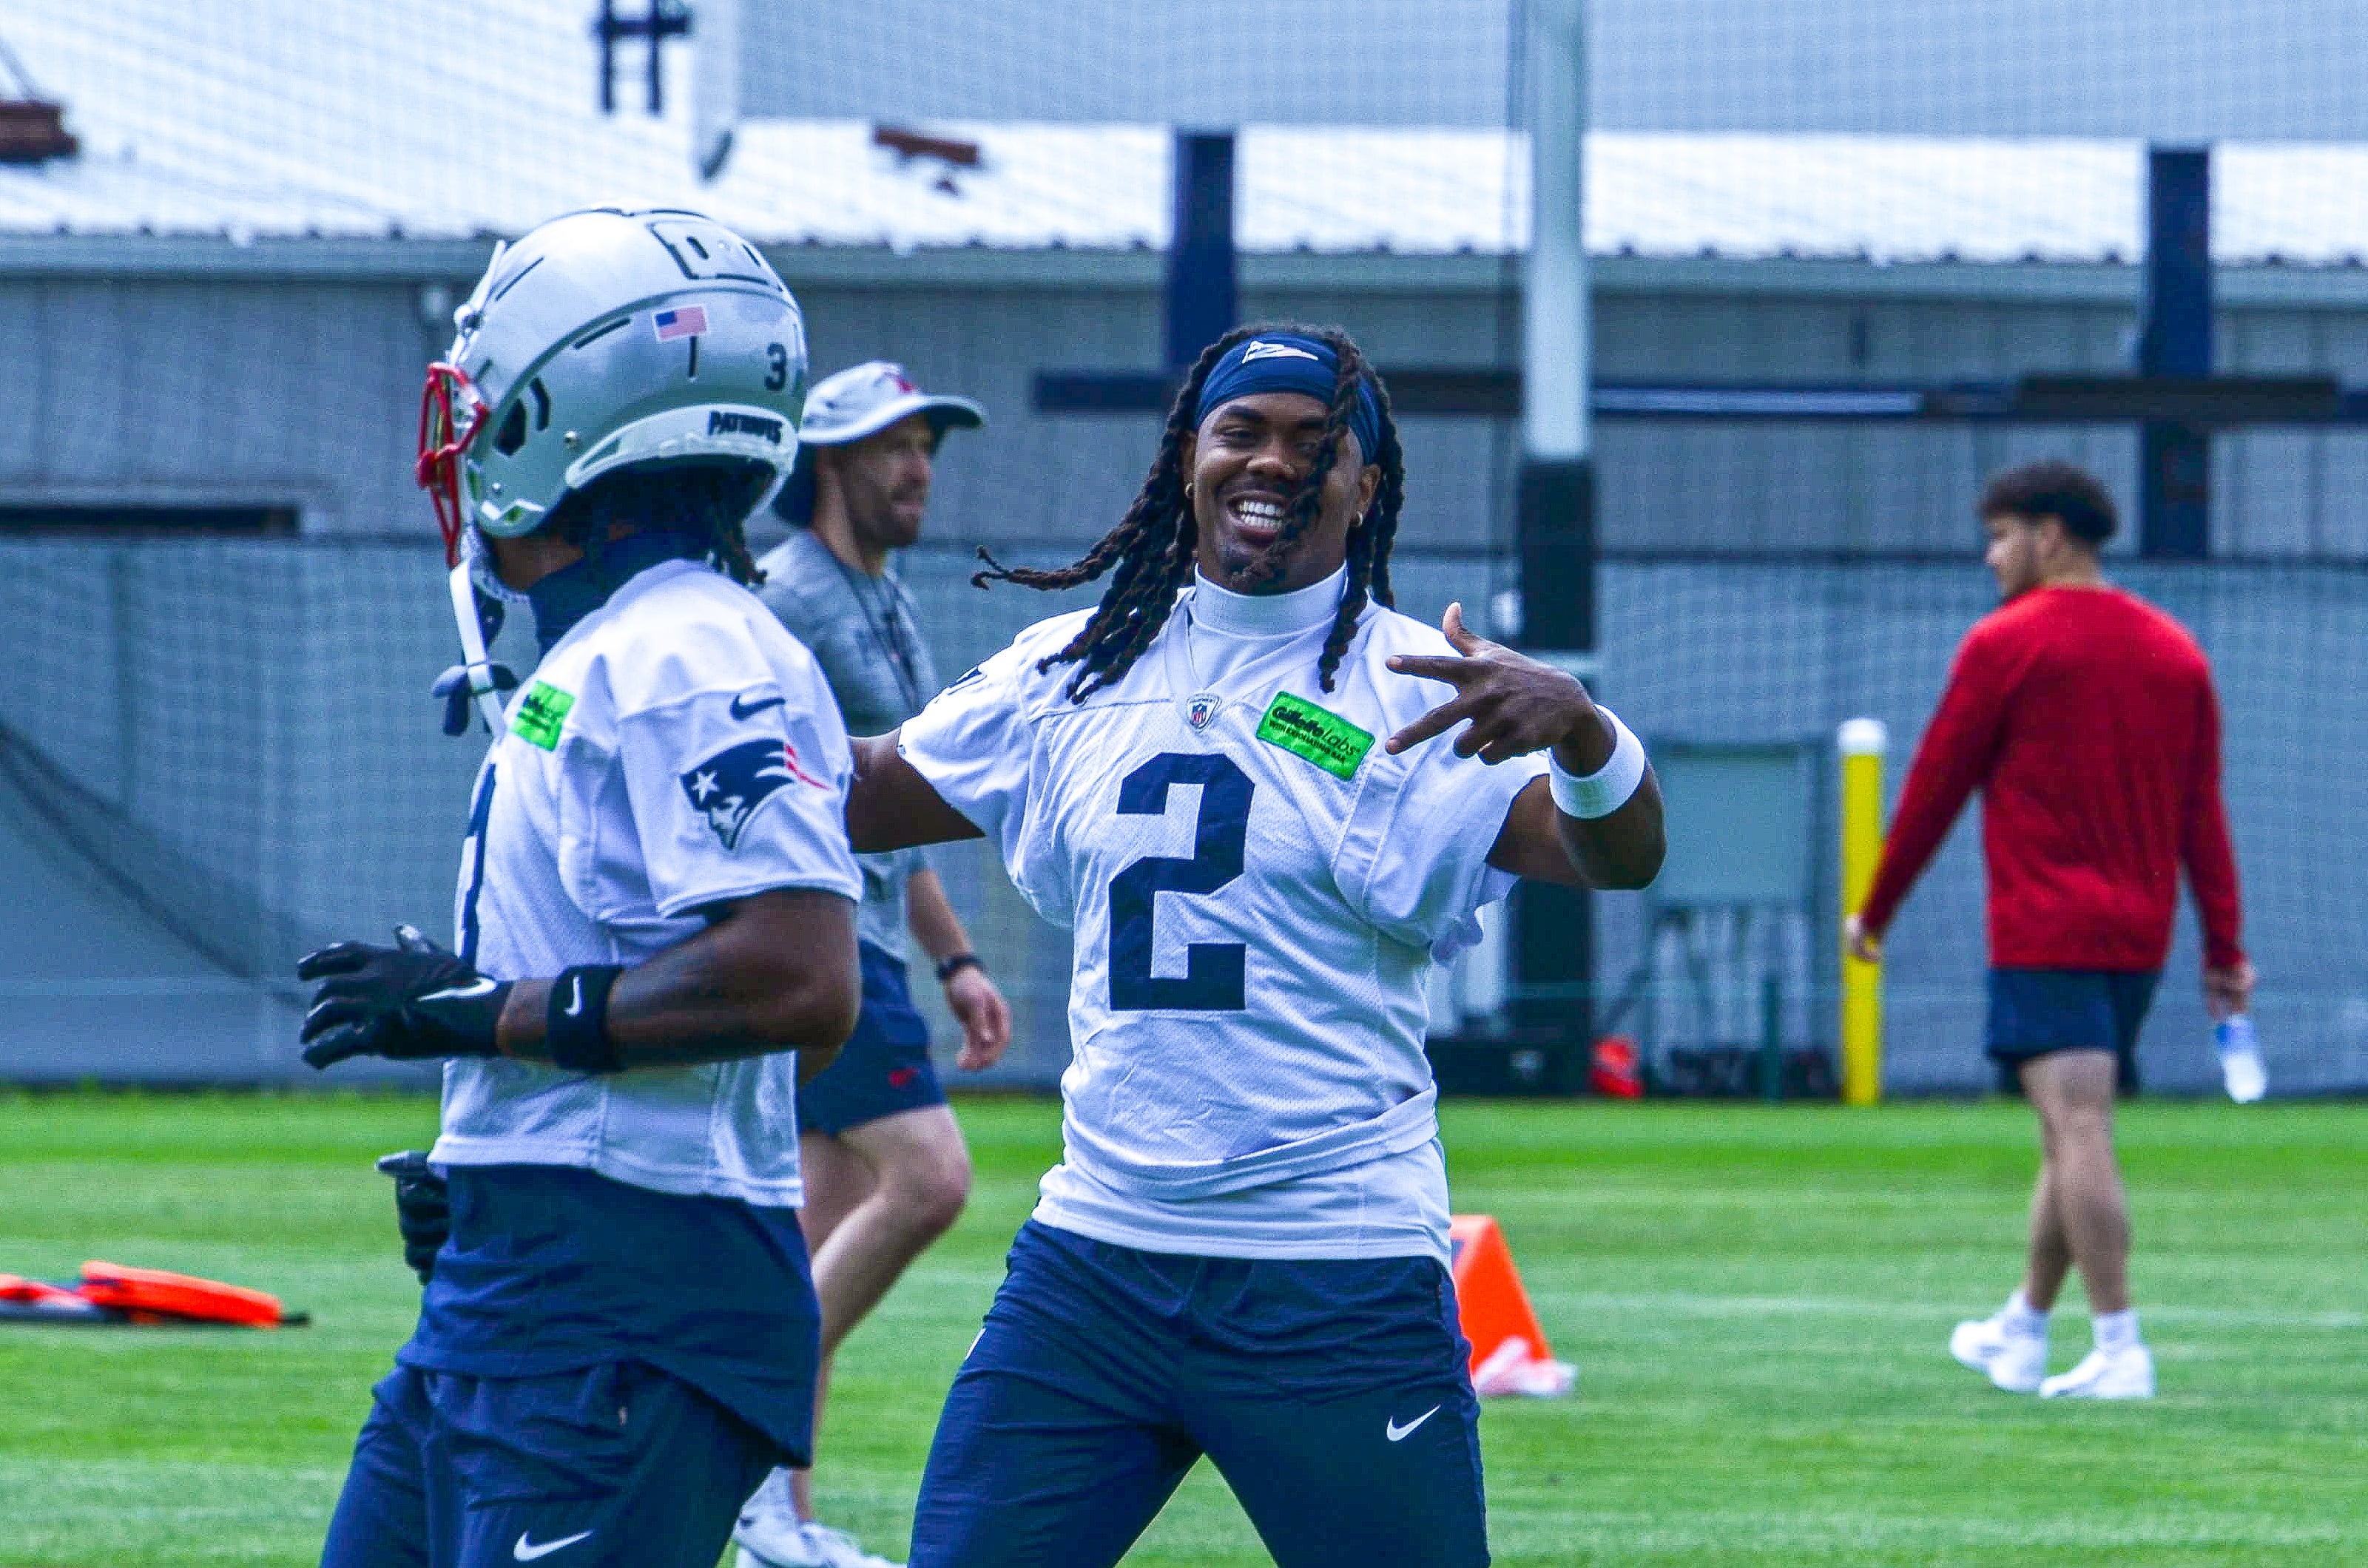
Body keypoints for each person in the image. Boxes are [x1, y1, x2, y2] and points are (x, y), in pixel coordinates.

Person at [839, 323, 1665, 1568]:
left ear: (1364, 486)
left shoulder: (1418, 686)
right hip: (1099, 1262)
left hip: (1330, 1269)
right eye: (1242, 431)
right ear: (1189, 455)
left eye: (1314, 442)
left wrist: (1588, 737)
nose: (1271, 461)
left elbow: (1617, 855)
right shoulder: (1071, 665)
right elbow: (860, 793)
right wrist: (688, 706)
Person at [301, 206, 866, 1567]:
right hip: (523, 1284)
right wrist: (491, 1155)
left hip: (626, 1295)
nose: (459, 433)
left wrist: (476, 1016)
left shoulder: (685, 648)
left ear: (558, 416)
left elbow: (799, 973)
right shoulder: (610, 651)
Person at [1845, 459, 2253, 1402]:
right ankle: (2023, 1329)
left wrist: (1878, 905)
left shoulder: (2006, 645)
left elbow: (1936, 786)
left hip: (2045, 929)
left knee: (2077, 1127)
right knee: (2073, 1136)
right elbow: (2205, 816)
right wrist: (2225, 949)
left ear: (2050, 535)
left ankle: (2119, 1344)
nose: (1991, 557)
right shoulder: (2176, 651)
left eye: (1999, 537)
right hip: (2137, 941)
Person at [734, 363, 1013, 1568]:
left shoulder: (885, 600)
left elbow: (894, 810)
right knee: (931, 1181)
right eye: (892, 447)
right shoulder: (782, 596)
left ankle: (770, 1517)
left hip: (878, 952)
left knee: (821, 1231)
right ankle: (741, 1451)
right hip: (825, 955)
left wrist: (956, 961)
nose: (918, 469)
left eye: (927, 444)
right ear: (827, 464)